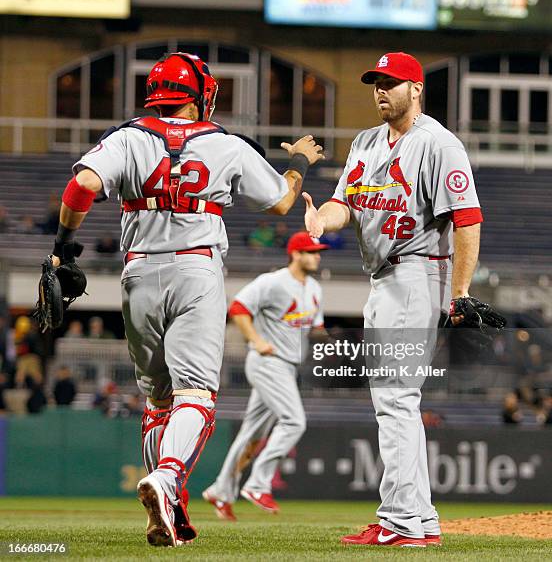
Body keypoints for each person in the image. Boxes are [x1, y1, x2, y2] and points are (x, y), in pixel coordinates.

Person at [44, 51, 323, 547]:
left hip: (138, 272)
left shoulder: (128, 136)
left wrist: (63, 250)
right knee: (196, 396)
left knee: (158, 401)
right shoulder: (224, 143)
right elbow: (283, 200)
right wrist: (299, 159)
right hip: (195, 267)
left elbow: (82, 185)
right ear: (198, 97)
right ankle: (168, 478)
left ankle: (168, 509)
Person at [303, 52, 483, 548]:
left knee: (395, 399)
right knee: (396, 399)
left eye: (392, 82)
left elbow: (467, 218)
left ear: (416, 89)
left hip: (418, 273)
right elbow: (346, 203)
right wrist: (323, 220)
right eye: (376, 83)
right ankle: (420, 519)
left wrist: (461, 292)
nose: (381, 90)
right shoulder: (364, 142)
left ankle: (399, 521)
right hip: (384, 278)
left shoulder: (439, 144)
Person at [203, 231, 327, 520]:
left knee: (251, 434)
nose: (317, 256)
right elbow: (238, 308)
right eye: (311, 251)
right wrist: (256, 340)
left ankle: (221, 490)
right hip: (267, 362)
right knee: (294, 421)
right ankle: (258, 484)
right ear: (295, 254)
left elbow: (315, 328)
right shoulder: (273, 282)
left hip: (287, 367)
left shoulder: (315, 289)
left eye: (317, 251)